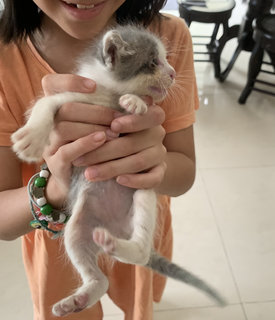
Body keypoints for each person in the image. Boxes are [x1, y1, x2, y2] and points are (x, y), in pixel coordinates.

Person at [0, 1, 199, 319]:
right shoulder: (5, 57)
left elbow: (184, 173)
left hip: (132, 216)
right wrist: (56, 189)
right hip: (62, 233)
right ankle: (94, 279)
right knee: (76, 255)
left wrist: (150, 165)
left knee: (138, 299)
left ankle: (136, 248)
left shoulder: (169, 34)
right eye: (154, 64)